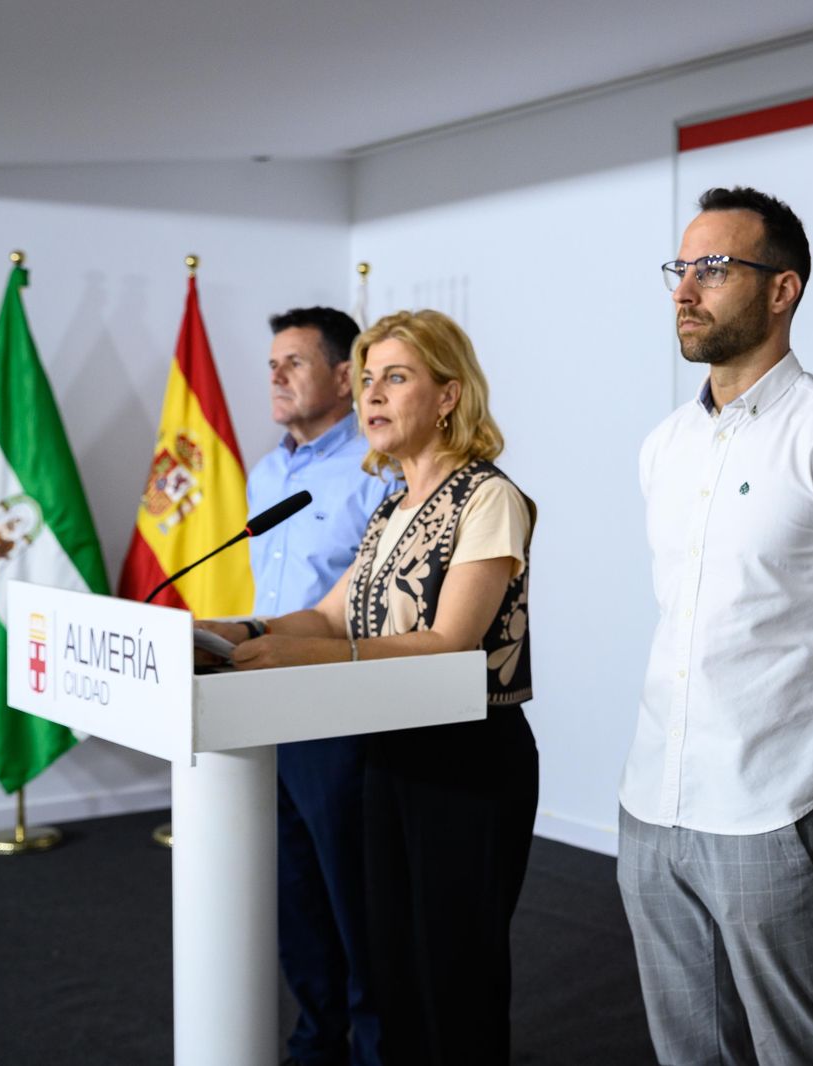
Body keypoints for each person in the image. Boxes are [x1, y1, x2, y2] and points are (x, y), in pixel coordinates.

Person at [201, 309, 537, 1066]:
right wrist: (239, 630)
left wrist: (305, 657)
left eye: (396, 377)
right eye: (367, 379)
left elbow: (448, 643)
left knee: (456, 970)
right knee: (392, 965)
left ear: (448, 394)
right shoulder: (392, 504)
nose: (372, 395)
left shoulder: (487, 497)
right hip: (390, 753)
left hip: (468, 758)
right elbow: (329, 614)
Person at [618, 186, 813, 1065]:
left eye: (715, 268)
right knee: (687, 1052)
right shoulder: (664, 446)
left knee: (797, 1050)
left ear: (782, 290)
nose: (685, 290)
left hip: (777, 806)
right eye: (681, 268)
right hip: (651, 805)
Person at [247, 307, 397, 1066]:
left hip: (341, 712)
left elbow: (377, 608)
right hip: (263, 709)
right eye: (272, 363)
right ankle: (316, 1040)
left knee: (355, 900)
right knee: (295, 895)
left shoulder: (378, 469)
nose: (276, 375)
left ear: (345, 377)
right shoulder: (265, 472)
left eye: (294, 362)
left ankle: (376, 1047)